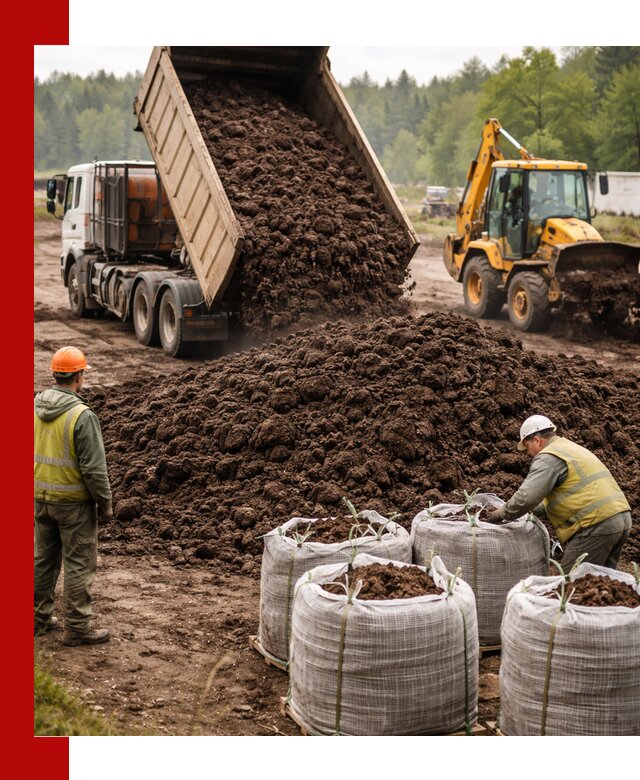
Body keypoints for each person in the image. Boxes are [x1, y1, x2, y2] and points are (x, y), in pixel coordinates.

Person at [34, 346, 113, 645]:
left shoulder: (35, 407)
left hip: (41, 498)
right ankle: (77, 629)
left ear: (55, 374)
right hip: (73, 504)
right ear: (78, 376)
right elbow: (94, 468)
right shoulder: (82, 415)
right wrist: (104, 501)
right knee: (79, 563)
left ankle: (37, 620)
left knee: (43, 560)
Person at [485, 414, 632, 570]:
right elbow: (557, 499)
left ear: (537, 440)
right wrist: (528, 511)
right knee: (601, 584)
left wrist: (500, 514)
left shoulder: (548, 457)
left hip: (595, 525)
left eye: (527, 447)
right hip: (620, 519)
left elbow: (526, 498)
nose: (529, 453)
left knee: (570, 585)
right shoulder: (569, 448)